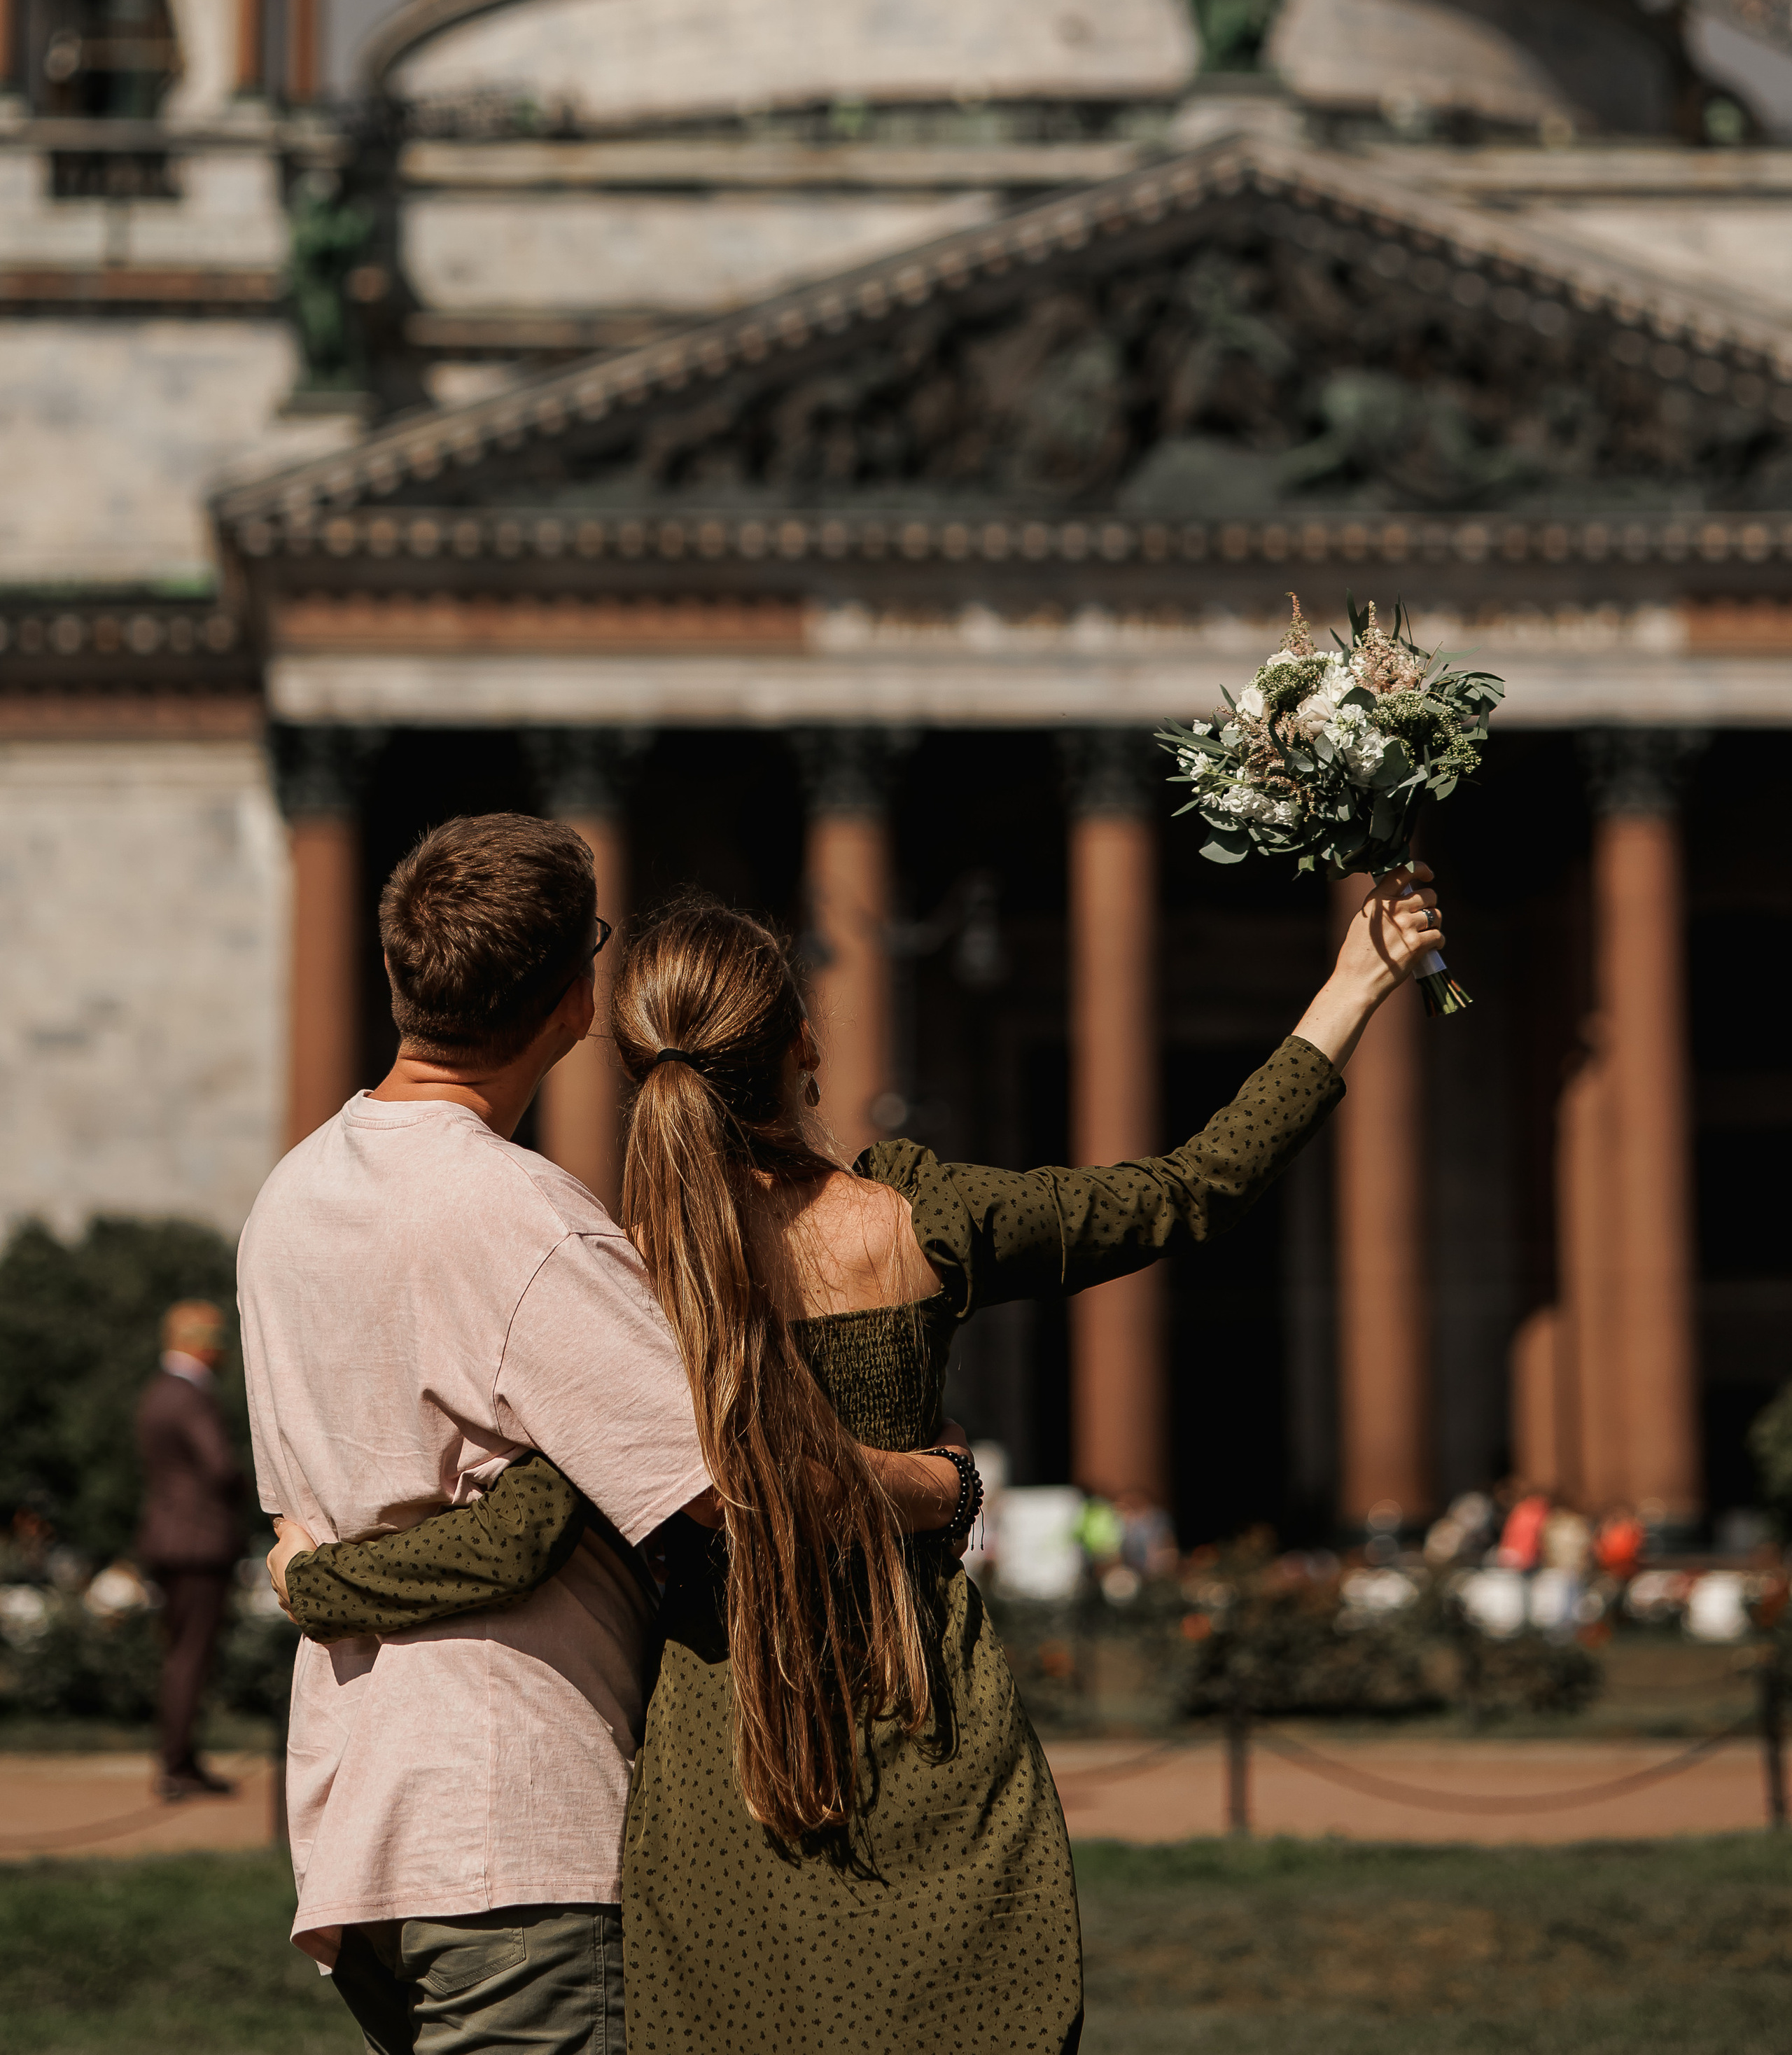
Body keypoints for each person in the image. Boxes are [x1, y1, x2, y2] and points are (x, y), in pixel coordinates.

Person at [271, 862, 1444, 2054]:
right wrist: (1351, 987)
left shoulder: (626, 1273)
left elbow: (525, 1531)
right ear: (806, 1042)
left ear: (636, 1070)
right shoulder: (915, 1218)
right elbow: (1193, 1189)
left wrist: (322, 1583)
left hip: (723, 1763)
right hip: (921, 1714)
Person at [238, 812, 960, 2055]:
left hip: (357, 1824)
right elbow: (730, 1486)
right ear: (577, 997)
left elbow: (323, 1509)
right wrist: (931, 1485)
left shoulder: (288, 1200)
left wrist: (319, 1577)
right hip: (518, 1825)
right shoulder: (526, 1220)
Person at [134, 1296, 246, 1801]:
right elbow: (219, 1466)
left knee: (179, 1652)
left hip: (164, 1538)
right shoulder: (193, 1396)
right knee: (192, 1655)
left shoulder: (157, 1393)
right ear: (197, 1345)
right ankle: (178, 1766)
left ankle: (180, 1758)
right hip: (200, 1543)